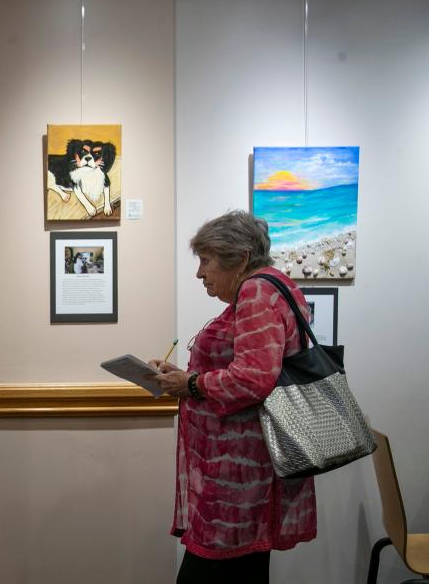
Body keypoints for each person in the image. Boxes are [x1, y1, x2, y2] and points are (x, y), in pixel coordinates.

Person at [149, 210, 317, 584]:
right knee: (243, 571)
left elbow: (253, 379)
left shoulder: (257, 291)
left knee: (211, 573)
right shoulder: (273, 286)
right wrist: (184, 377)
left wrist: (191, 385)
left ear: (239, 258)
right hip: (245, 471)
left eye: (206, 261)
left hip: (240, 477)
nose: (200, 273)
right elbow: (252, 369)